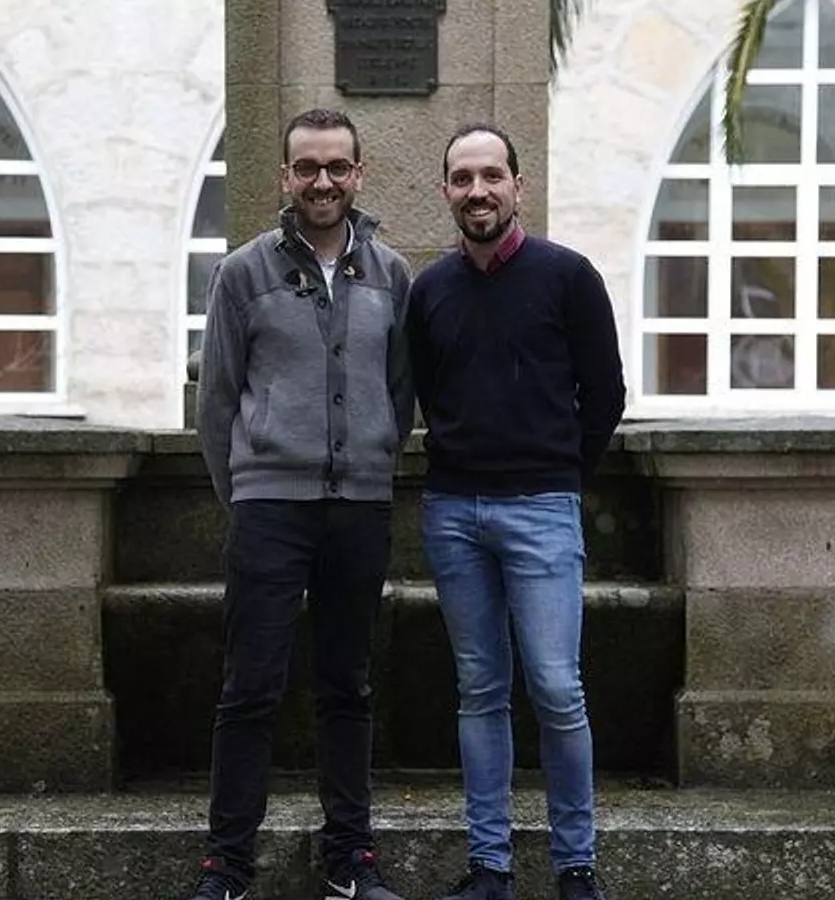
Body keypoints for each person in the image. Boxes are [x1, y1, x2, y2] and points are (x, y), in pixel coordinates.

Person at [191, 108, 414, 900]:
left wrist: (373, 460)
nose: (323, 181)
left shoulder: (391, 275)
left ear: (359, 174)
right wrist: (247, 492)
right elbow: (217, 401)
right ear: (285, 176)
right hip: (270, 510)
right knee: (250, 687)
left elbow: (400, 392)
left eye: (337, 167)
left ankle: (350, 860)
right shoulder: (242, 273)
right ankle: (227, 865)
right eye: (308, 167)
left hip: (359, 508)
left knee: (347, 687)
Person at [405, 123, 626, 900]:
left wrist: (558, 474)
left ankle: (575, 865)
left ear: (517, 186)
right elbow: (424, 391)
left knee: (558, 689)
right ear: (446, 192)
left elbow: (606, 394)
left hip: (541, 509)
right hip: (454, 514)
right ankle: (490, 867)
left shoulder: (568, 277)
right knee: (480, 690)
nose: (478, 191)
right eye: (463, 178)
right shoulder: (430, 291)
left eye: (491, 176)